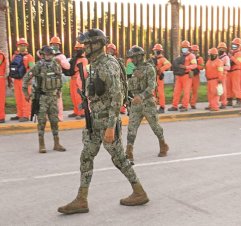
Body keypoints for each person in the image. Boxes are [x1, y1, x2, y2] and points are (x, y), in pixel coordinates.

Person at [58, 29, 149, 215]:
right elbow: (102, 91)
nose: (84, 47)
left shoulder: (106, 65)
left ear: (97, 44)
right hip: (95, 121)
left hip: (106, 122)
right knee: (86, 157)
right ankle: (81, 199)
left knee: (119, 159)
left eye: (87, 44)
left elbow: (118, 96)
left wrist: (110, 127)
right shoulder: (97, 64)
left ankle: (139, 191)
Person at [126, 45, 169, 163]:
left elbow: (152, 86)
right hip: (135, 103)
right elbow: (127, 84)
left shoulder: (149, 68)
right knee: (131, 128)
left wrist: (141, 96)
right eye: (131, 58)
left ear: (140, 57)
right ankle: (129, 151)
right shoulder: (130, 68)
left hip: (148, 102)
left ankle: (163, 144)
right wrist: (127, 98)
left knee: (155, 126)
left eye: (133, 57)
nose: (132, 60)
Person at [23, 46, 66, 153]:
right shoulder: (38, 66)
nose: (48, 56)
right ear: (42, 55)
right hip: (41, 98)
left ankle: (57, 143)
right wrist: (26, 94)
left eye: (50, 54)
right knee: (42, 121)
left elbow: (59, 79)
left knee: (54, 121)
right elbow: (26, 78)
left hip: (53, 97)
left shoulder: (56, 65)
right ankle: (41, 144)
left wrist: (59, 92)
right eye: (46, 54)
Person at [10, 38, 35, 122]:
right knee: (18, 98)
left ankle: (26, 115)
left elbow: (32, 69)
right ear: (18, 46)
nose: (22, 47)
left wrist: (30, 79)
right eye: (21, 45)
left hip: (25, 80)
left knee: (25, 98)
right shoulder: (14, 56)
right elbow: (12, 68)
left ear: (26, 46)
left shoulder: (29, 57)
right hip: (16, 80)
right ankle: (19, 114)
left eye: (24, 45)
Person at [168, 40, 197, 112]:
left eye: (185, 47)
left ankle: (185, 106)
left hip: (186, 76)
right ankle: (174, 106)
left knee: (186, 92)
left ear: (188, 48)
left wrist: (186, 67)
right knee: (176, 91)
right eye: (183, 47)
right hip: (179, 76)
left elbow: (194, 65)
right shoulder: (180, 56)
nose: (184, 49)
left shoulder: (191, 56)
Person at [50, 36, 70, 121]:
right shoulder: (47, 54)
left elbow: (68, 66)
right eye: (53, 44)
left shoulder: (61, 56)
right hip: (48, 80)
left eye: (56, 44)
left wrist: (60, 61)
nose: (55, 45)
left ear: (59, 46)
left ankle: (59, 117)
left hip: (57, 80)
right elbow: (38, 53)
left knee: (58, 99)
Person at [68, 42, 88, 119]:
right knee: (73, 96)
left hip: (78, 80)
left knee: (78, 97)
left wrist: (80, 81)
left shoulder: (84, 59)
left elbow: (83, 71)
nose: (78, 50)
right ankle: (76, 111)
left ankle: (81, 112)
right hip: (73, 79)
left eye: (79, 48)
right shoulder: (75, 59)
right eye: (77, 48)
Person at [151, 43, 172, 113]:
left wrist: (160, 70)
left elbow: (168, 64)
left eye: (157, 50)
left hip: (158, 77)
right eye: (155, 50)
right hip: (152, 78)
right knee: (152, 93)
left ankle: (162, 107)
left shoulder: (162, 59)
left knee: (160, 93)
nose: (156, 51)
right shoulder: (152, 58)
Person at [227, 38, 241, 108]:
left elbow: (238, 62)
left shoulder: (239, 53)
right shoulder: (231, 53)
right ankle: (229, 100)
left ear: (238, 45)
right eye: (233, 45)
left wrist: (231, 57)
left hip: (236, 71)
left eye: (235, 45)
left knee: (236, 86)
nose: (233, 46)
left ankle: (238, 101)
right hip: (230, 71)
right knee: (229, 86)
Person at [190, 44, 204, 109]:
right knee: (187, 90)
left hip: (196, 75)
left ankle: (193, 103)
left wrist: (195, 65)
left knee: (195, 90)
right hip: (190, 74)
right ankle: (185, 103)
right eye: (193, 51)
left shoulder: (200, 58)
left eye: (195, 51)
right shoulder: (188, 57)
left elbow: (202, 67)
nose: (194, 53)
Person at [217, 42, 231, 109]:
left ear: (225, 49)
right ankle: (214, 103)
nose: (221, 49)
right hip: (216, 75)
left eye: (222, 48)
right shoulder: (217, 56)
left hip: (223, 75)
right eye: (220, 48)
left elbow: (228, 67)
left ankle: (223, 103)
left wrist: (221, 67)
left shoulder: (226, 58)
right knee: (215, 90)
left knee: (223, 90)